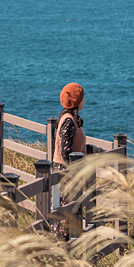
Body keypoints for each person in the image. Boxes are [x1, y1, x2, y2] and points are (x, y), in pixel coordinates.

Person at [52, 82, 89, 241]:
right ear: (76, 101)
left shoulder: (71, 119)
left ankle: (64, 244)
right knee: (66, 211)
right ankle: (63, 245)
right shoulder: (68, 120)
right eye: (82, 98)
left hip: (67, 170)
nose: (84, 101)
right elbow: (65, 149)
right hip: (66, 171)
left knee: (67, 210)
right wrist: (75, 166)